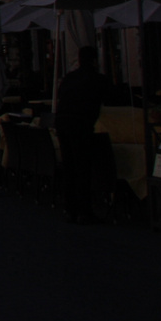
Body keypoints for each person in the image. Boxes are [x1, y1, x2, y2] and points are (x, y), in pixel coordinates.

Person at [56, 45, 109, 223]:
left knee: (69, 166)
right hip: (81, 125)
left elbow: (61, 98)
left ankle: (70, 207)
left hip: (63, 124)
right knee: (82, 168)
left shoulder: (69, 78)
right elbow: (110, 99)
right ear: (94, 60)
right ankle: (83, 210)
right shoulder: (97, 79)